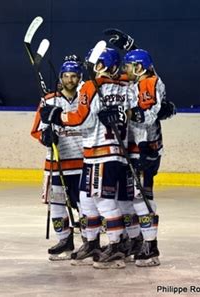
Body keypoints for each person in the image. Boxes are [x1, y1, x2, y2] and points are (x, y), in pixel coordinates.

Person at [40, 47, 141, 269]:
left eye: (96, 64)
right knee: (86, 200)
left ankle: (115, 247)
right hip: (108, 153)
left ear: (104, 65)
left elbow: (81, 120)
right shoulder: (126, 87)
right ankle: (93, 243)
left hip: (100, 152)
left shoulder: (90, 87)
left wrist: (57, 115)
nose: (93, 68)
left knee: (103, 202)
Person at [122, 49, 176, 267]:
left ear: (139, 67)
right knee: (129, 198)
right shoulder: (138, 83)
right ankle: (137, 240)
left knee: (142, 198)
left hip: (145, 150)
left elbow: (146, 116)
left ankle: (150, 245)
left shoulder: (148, 82)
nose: (125, 71)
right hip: (133, 148)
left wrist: (126, 114)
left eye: (129, 66)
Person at [31, 61, 84, 261]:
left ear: (79, 79)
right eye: (66, 76)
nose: (70, 80)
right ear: (60, 78)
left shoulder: (85, 99)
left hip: (82, 163)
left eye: (74, 76)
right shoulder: (49, 100)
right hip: (56, 164)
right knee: (57, 205)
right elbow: (36, 129)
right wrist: (46, 137)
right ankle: (64, 240)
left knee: (85, 207)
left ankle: (89, 242)